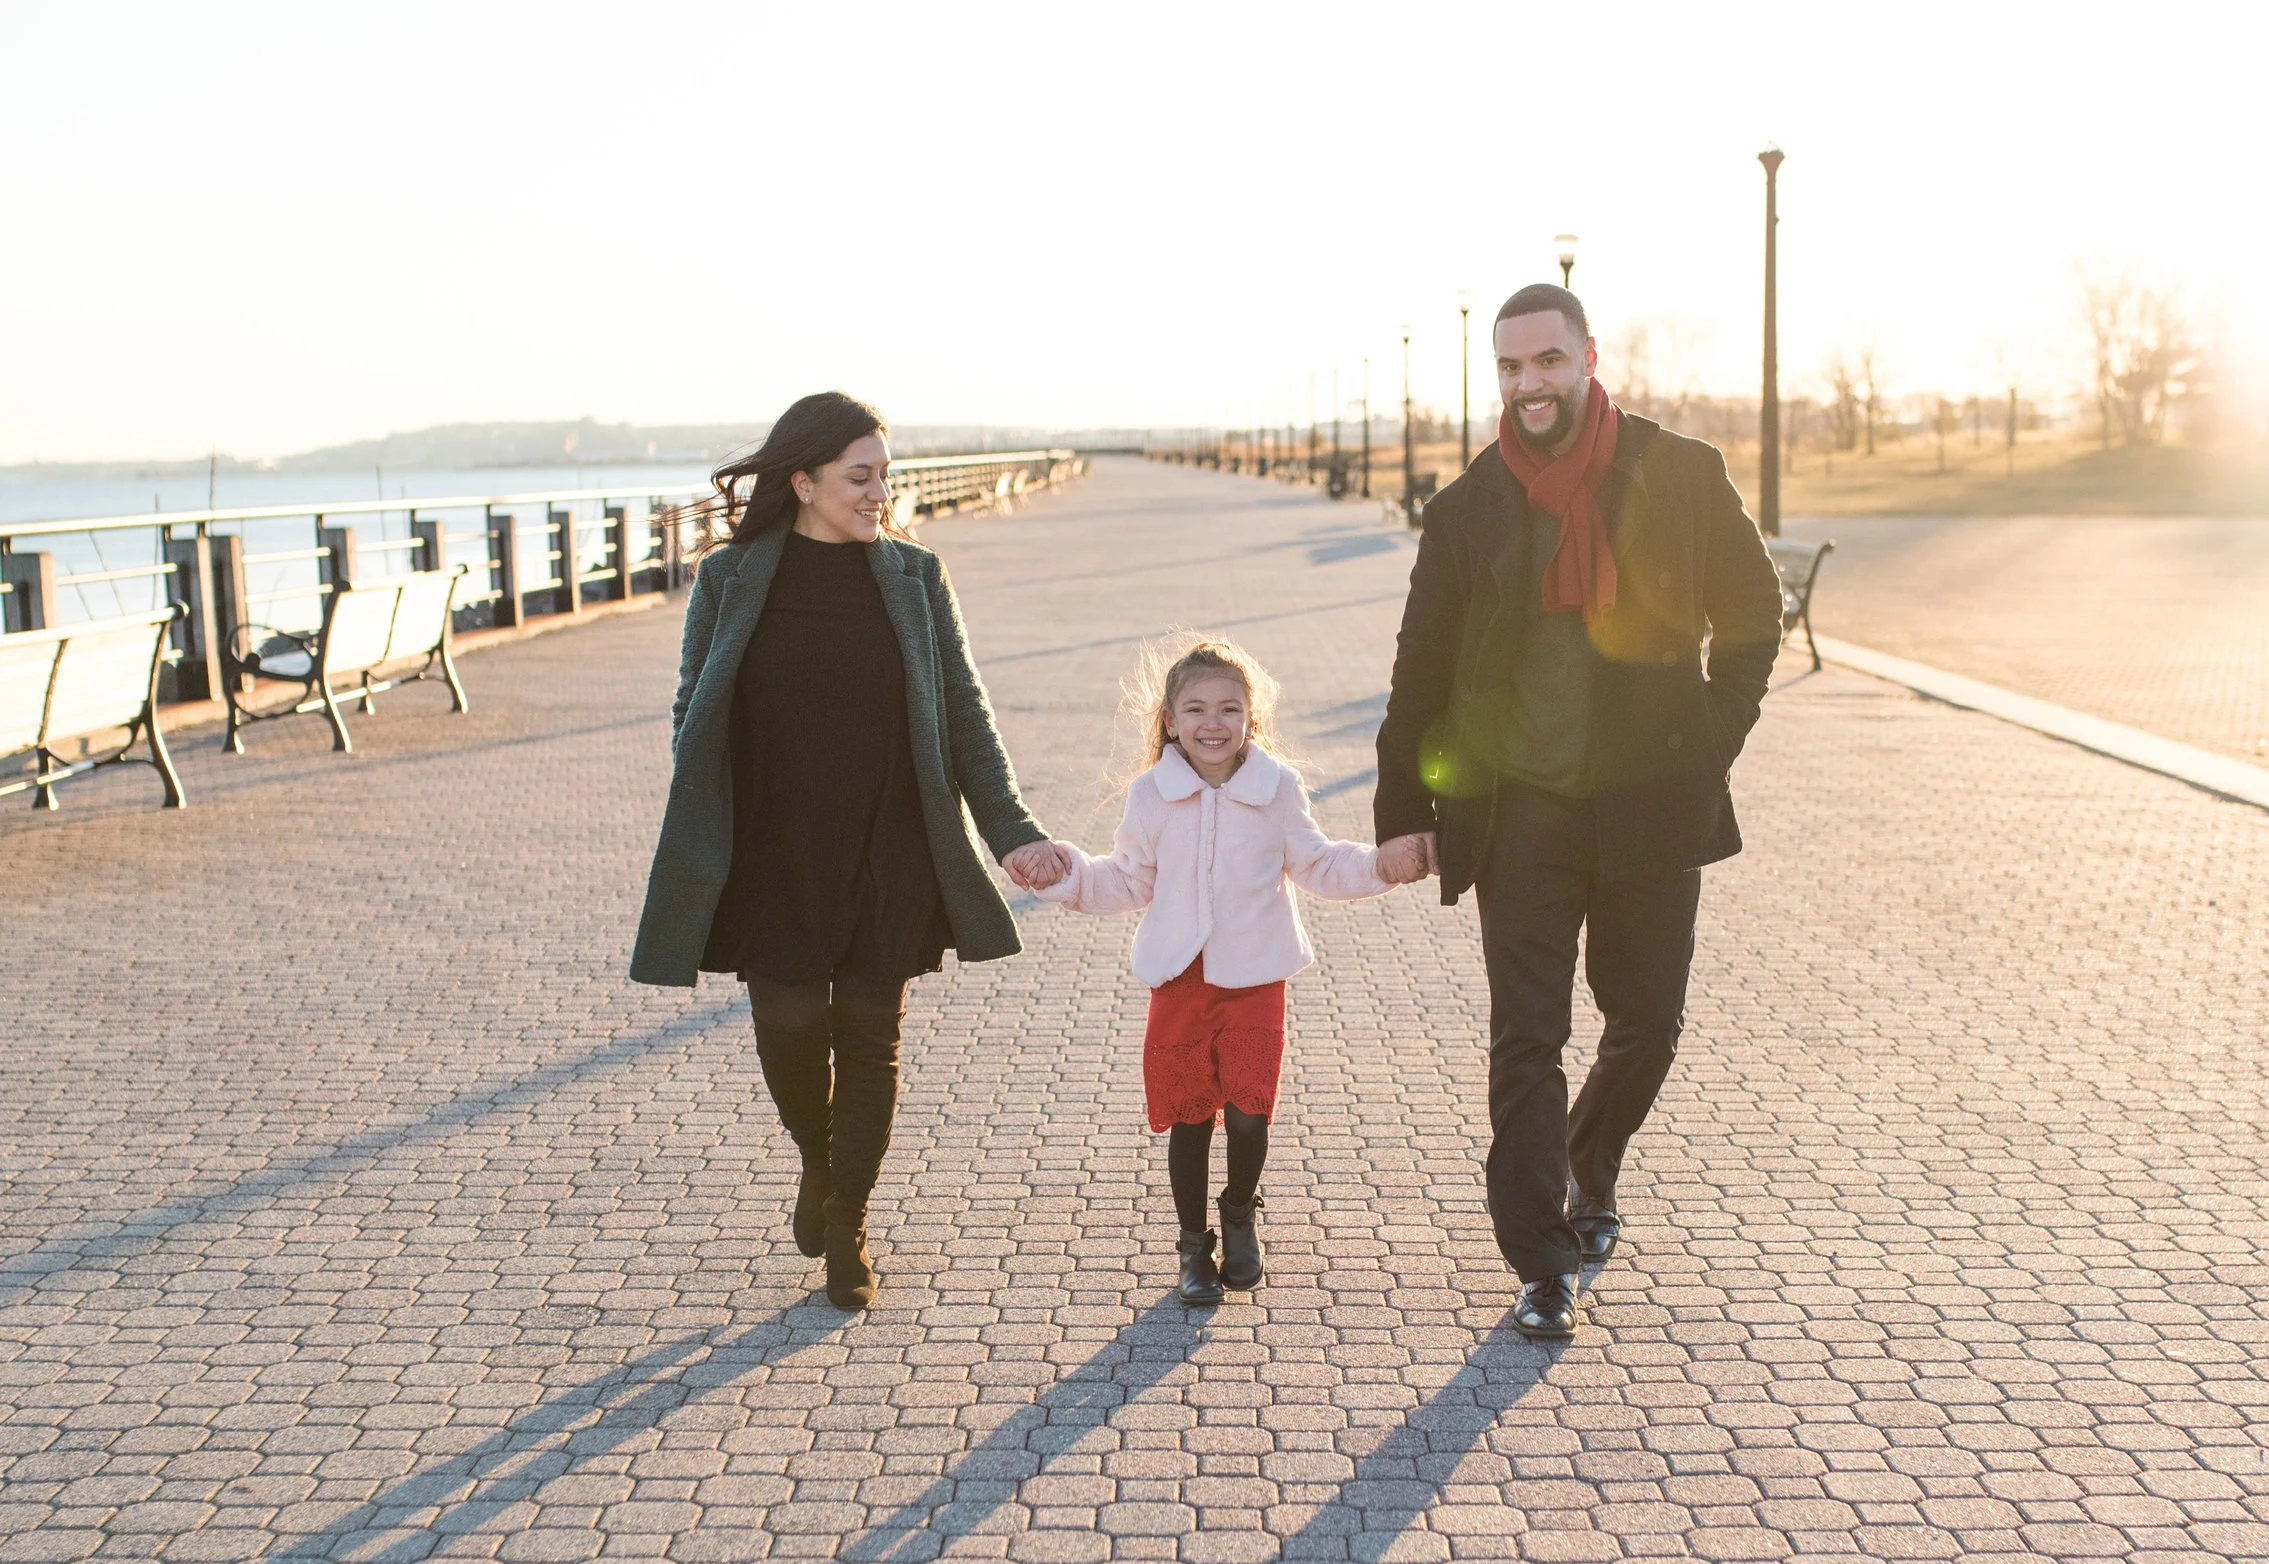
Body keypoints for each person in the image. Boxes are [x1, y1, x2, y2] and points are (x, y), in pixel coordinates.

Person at [1373, 285, 1784, 1339]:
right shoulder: (1467, 509)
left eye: (1546, 361)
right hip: (1521, 814)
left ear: (1587, 356)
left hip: (1652, 802)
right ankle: (1541, 1254)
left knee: (1645, 1021)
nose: (1527, 385)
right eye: (1509, 369)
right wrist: (1399, 807)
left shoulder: (1679, 473)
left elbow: (1750, 612)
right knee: (1527, 1039)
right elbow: (1420, 669)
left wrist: (1710, 738)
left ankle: (1589, 1166)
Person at [629, 391, 1069, 1310]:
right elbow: (691, 710)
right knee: (789, 1031)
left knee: (870, 1039)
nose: (879, 493)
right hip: (772, 852)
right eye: (860, 476)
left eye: (886, 477)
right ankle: (817, 1163)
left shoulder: (914, 576)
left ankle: (847, 1223)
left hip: (890, 843)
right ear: (804, 481)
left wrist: (1012, 831)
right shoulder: (732, 579)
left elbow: (965, 718)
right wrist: (709, 804)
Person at [1034, 639, 1420, 1304]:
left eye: (1229, 708)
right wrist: (1065, 873)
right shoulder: (1152, 795)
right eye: (1195, 708)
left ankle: (1239, 1210)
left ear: (1252, 718)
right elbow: (1124, 878)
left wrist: (1381, 866)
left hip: (1255, 978)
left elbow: (1321, 863)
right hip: (1180, 981)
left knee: (1247, 1113)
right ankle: (1192, 1244)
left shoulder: (1277, 790)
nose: (1212, 722)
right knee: (1189, 1116)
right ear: (1170, 721)